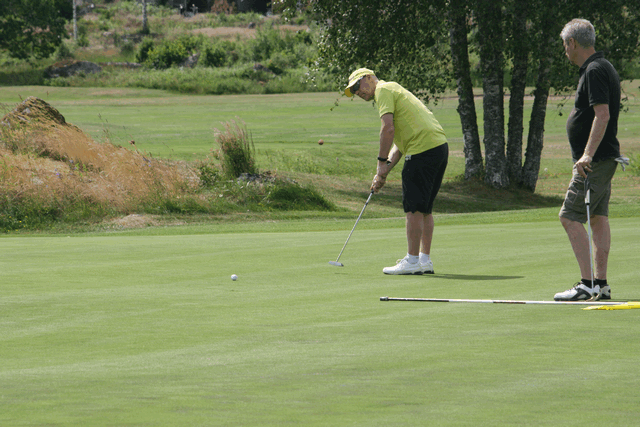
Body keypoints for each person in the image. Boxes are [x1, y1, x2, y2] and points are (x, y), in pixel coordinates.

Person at [344, 68, 449, 275]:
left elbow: (387, 129)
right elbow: (399, 145)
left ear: (369, 78)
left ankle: (412, 261)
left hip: (422, 150)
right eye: (353, 91)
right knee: (424, 209)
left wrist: (380, 163)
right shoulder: (393, 89)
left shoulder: (382, 90)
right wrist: (383, 172)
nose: (357, 92)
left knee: (413, 208)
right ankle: (424, 260)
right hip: (438, 147)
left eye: (357, 86)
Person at [554, 19, 623, 301]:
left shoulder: (594, 70)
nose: (565, 50)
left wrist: (587, 154)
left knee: (569, 216)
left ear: (572, 43)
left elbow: (602, 115)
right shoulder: (602, 66)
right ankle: (601, 285)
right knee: (597, 217)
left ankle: (587, 284)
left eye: (565, 45)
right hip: (605, 159)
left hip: (594, 162)